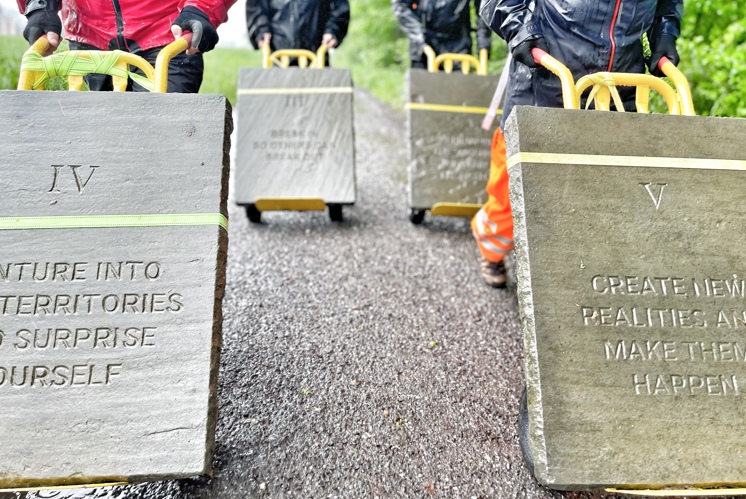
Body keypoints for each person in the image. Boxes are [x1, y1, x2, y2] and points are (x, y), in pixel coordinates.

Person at [471, 0, 683, 287]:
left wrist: (665, 33)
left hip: (618, 86)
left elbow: (668, 5)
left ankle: (587, 277)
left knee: (605, 190)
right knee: (516, 189)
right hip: (545, 73)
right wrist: (520, 29)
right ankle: (492, 249)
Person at [18, 0, 237, 93]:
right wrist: (40, 6)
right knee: (93, 145)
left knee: (164, 144)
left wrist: (202, 8)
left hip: (168, 35)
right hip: (89, 34)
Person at [392, 0, 492, 69]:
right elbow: (401, 6)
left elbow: (484, 9)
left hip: (459, 46)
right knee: (421, 94)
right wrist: (419, 39)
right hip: (424, 48)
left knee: (460, 93)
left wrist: (483, 45)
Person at [246, 0, 350, 60]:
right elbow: (255, 5)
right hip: (278, 52)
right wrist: (261, 30)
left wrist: (333, 31)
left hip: (316, 48)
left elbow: (339, 6)